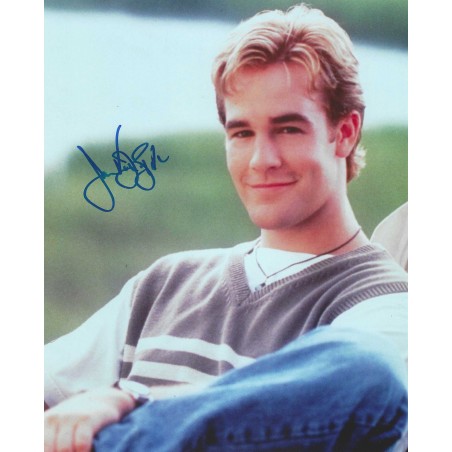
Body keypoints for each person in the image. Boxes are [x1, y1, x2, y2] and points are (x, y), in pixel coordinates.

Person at [44, 3, 408, 451]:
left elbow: (359, 386)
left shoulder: (388, 309)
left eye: (288, 129)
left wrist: (125, 401)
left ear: (346, 132)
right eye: (242, 133)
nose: (261, 160)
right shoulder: (164, 284)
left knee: (368, 371)